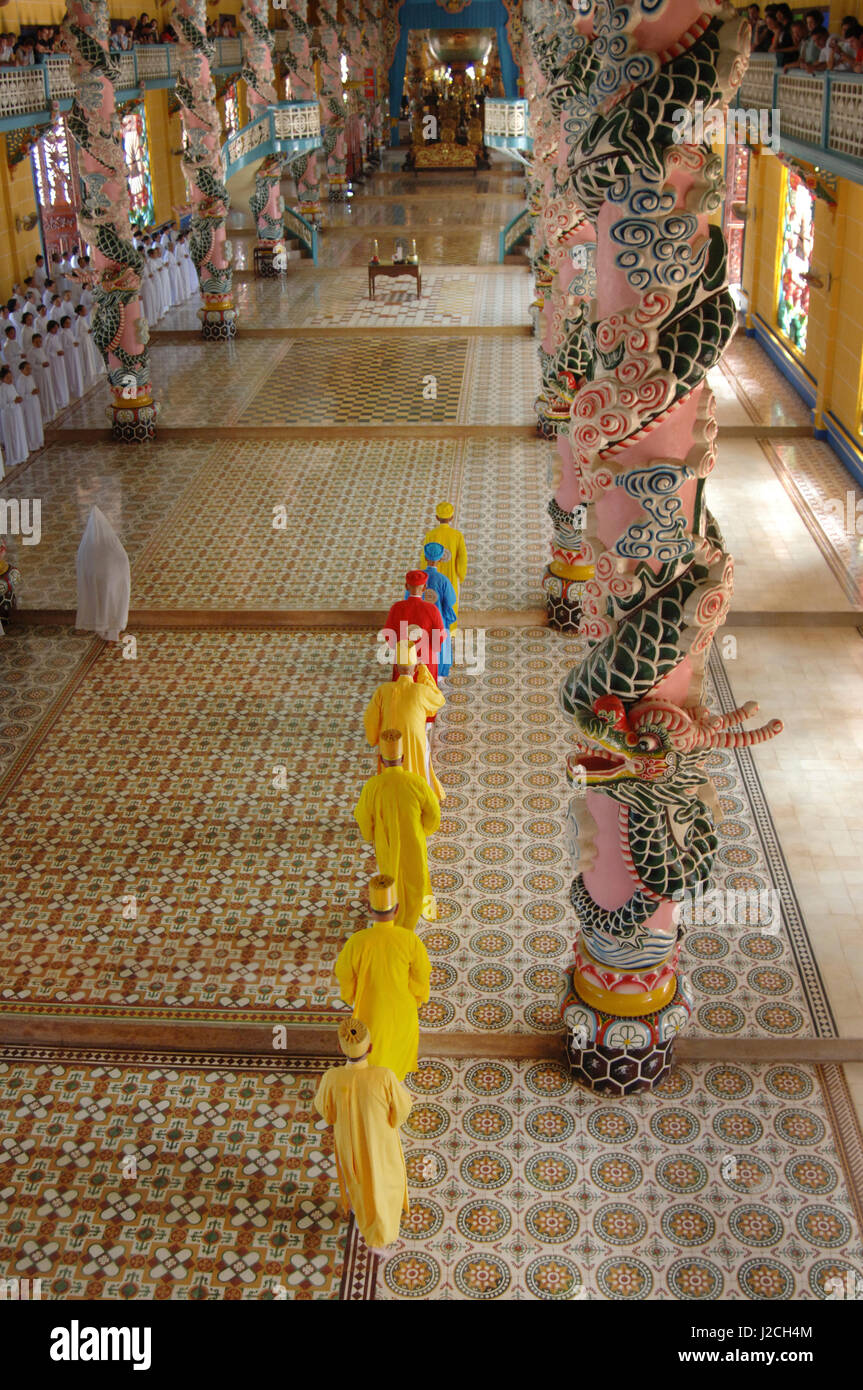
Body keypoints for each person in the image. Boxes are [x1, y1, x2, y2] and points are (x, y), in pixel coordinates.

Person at [313, 1016, 412, 1257]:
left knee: (359, 1183)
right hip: (381, 1141)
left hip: (350, 1143)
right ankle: (383, 1231)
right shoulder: (384, 1076)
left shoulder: (331, 1078)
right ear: (370, 1047)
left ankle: (368, 1222)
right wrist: (391, 1122)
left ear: (339, 1048)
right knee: (385, 1179)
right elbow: (402, 1109)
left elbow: (325, 1111)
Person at [334, 874, 431, 1081]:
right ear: (396, 910)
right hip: (402, 1008)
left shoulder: (358, 941)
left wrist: (352, 995)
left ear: (369, 910)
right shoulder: (409, 940)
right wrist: (416, 994)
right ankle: (394, 1086)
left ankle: (374, 1084)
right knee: (399, 1048)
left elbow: (342, 972)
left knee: (373, 1050)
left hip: (370, 1008)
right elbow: (423, 972)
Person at [354, 729, 441, 931]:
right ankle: (427, 910)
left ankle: (392, 914)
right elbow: (434, 813)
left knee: (391, 875)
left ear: (381, 760)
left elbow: (362, 816)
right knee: (419, 875)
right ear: (402, 757)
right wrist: (424, 830)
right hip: (414, 840)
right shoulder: (416, 782)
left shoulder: (373, 786)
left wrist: (370, 835)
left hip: (386, 843)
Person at [365, 640, 445, 799]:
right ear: (415, 668)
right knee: (423, 758)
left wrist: (375, 739)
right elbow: (438, 699)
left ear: (395, 667)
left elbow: (370, 719)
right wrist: (424, 671)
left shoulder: (383, 690)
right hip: (415, 740)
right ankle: (422, 798)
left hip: (390, 741)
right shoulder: (420, 691)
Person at [76, 506, 130, 643]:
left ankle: (102, 627)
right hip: (111, 585)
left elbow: (83, 569)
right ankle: (112, 631)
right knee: (111, 604)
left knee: (100, 605)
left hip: (98, 584)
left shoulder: (86, 547)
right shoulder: (114, 546)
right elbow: (122, 564)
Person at [385, 568, 447, 684]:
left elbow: (389, 634)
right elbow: (439, 636)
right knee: (425, 690)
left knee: (403, 688)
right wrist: (432, 648)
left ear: (406, 587)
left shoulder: (397, 607)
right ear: (424, 588)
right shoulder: (432, 609)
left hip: (403, 658)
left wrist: (397, 648)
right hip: (426, 658)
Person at [423, 500, 467, 625]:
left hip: (433, 576)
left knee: (433, 600)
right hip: (451, 574)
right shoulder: (457, 535)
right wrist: (460, 574)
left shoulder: (431, 535)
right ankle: (450, 628)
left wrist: (425, 575)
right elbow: (462, 558)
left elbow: (424, 556)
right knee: (451, 600)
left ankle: (434, 624)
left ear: (437, 517)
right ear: (452, 517)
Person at [0, 366, 29, 467]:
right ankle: (14, 458)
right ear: (2, 379)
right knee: (12, 436)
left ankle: (21, 455)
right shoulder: (2, 389)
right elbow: (3, 405)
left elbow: (15, 396)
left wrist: (18, 399)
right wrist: (14, 402)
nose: (10, 379)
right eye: (7, 378)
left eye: (11, 377)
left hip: (16, 414)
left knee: (19, 433)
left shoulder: (11, 386)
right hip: (9, 417)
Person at [13, 361, 44, 454]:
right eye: (27, 369)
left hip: (34, 403)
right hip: (28, 406)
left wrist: (35, 391)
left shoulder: (30, 377)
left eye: (30, 368)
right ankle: (32, 445)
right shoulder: (20, 380)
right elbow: (21, 396)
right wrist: (31, 393)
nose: (30, 370)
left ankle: (39, 442)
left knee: (37, 422)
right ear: (22, 370)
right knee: (31, 424)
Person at [29, 332, 57, 421]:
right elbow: (32, 366)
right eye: (36, 342)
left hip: (46, 375)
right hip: (39, 377)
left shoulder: (41, 349)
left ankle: (51, 413)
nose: (39, 344)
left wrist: (46, 363)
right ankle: (45, 415)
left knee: (48, 393)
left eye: (40, 342)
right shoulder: (31, 352)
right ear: (33, 342)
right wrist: (41, 365)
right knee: (43, 395)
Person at [44, 320, 70, 410]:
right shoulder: (48, 339)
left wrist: (60, 351)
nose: (56, 330)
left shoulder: (56, 337)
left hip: (60, 362)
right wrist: (56, 354)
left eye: (57, 328)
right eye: (54, 328)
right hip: (54, 363)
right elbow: (47, 352)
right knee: (57, 381)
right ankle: (59, 402)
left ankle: (65, 400)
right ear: (50, 328)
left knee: (62, 379)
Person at [59, 315, 84, 400]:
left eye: (69, 322)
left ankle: (79, 390)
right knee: (72, 372)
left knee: (76, 371)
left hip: (74, 354)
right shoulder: (62, 333)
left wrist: (74, 344)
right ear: (63, 324)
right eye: (67, 323)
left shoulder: (69, 331)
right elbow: (64, 345)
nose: (69, 324)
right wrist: (72, 345)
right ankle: (73, 390)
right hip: (69, 356)